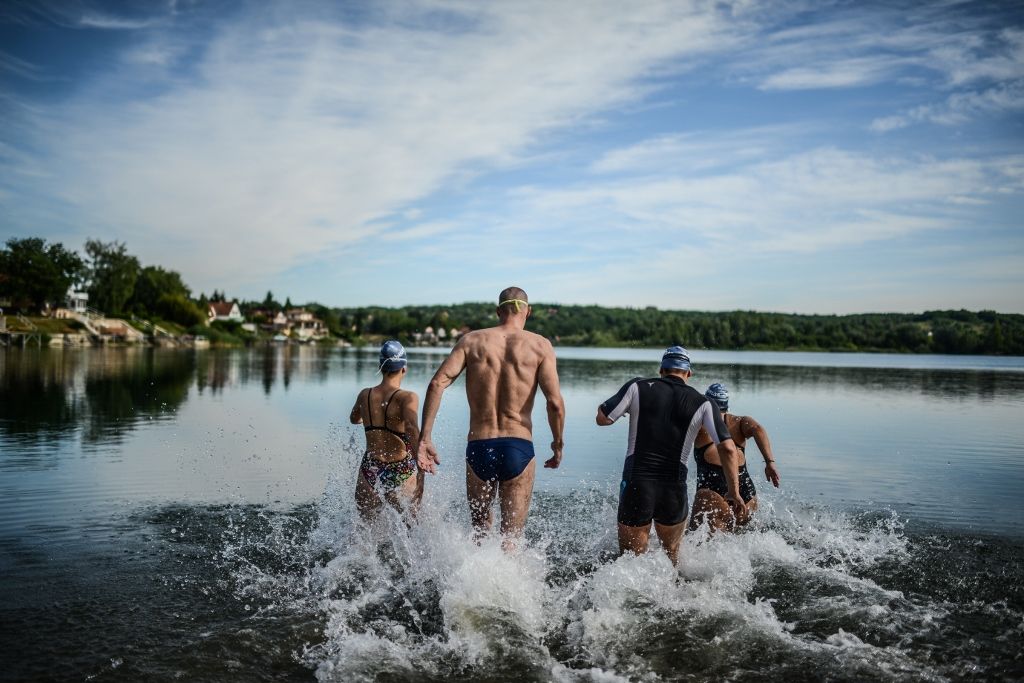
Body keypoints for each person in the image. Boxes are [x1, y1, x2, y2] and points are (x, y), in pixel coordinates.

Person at [417, 286, 565, 549]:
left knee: (479, 534)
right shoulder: (540, 345)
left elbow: (436, 384)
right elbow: (554, 403)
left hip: (479, 447)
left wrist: (425, 438)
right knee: (511, 539)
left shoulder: (471, 341)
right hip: (518, 446)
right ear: (527, 311)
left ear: (498, 311)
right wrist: (557, 444)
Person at [596, 346, 745, 565]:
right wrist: (734, 492)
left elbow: (603, 418)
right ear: (688, 374)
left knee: (629, 562)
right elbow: (729, 449)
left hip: (638, 483)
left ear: (661, 370)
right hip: (673, 488)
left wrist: (624, 408)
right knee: (671, 560)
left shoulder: (637, 387)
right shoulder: (704, 403)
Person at [689, 383, 780, 532]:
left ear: (706, 403)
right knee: (743, 537)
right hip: (745, 489)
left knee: (696, 540)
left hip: (713, 489)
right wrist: (769, 463)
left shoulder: (701, 425)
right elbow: (758, 429)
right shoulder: (740, 422)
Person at [349, 340, 423, 520]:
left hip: (370, 469)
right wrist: (421, 466)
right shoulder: (407, 398)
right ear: (404, 368)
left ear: (381, 367)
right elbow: (412, 429)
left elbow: (354, 419)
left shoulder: (365, 395)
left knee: (364, 531)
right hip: (400, 469)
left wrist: (372, 419)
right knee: (409, 527)